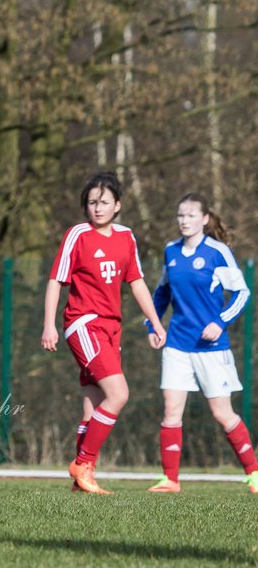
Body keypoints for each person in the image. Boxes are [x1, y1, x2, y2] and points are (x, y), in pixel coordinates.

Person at [41, 171, 167, 495]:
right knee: (119, 394)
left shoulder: (127, 237)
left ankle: (83, 481)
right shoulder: (77, 235)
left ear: (118, 205)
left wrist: (155, 321)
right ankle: (83, 463)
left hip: (112, 329)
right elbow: (56, 280)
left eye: (104, 202)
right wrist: (49, 324)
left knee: (93, 407)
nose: (97, 208)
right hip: (83, 323)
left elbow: (137, 282)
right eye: (92, 202)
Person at [145, 193, 256, 494]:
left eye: (191, 215)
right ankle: (171, 479)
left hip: (211, 347)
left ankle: (254, 473)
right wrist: (152, 325)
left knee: (222, 413)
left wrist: (219, 322)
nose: (184, 220)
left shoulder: (217, 252)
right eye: (180, 215)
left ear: (205, 219)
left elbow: (243, 293)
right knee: (171, 410)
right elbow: (161, 294)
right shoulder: (171, 251)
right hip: (178, 343)